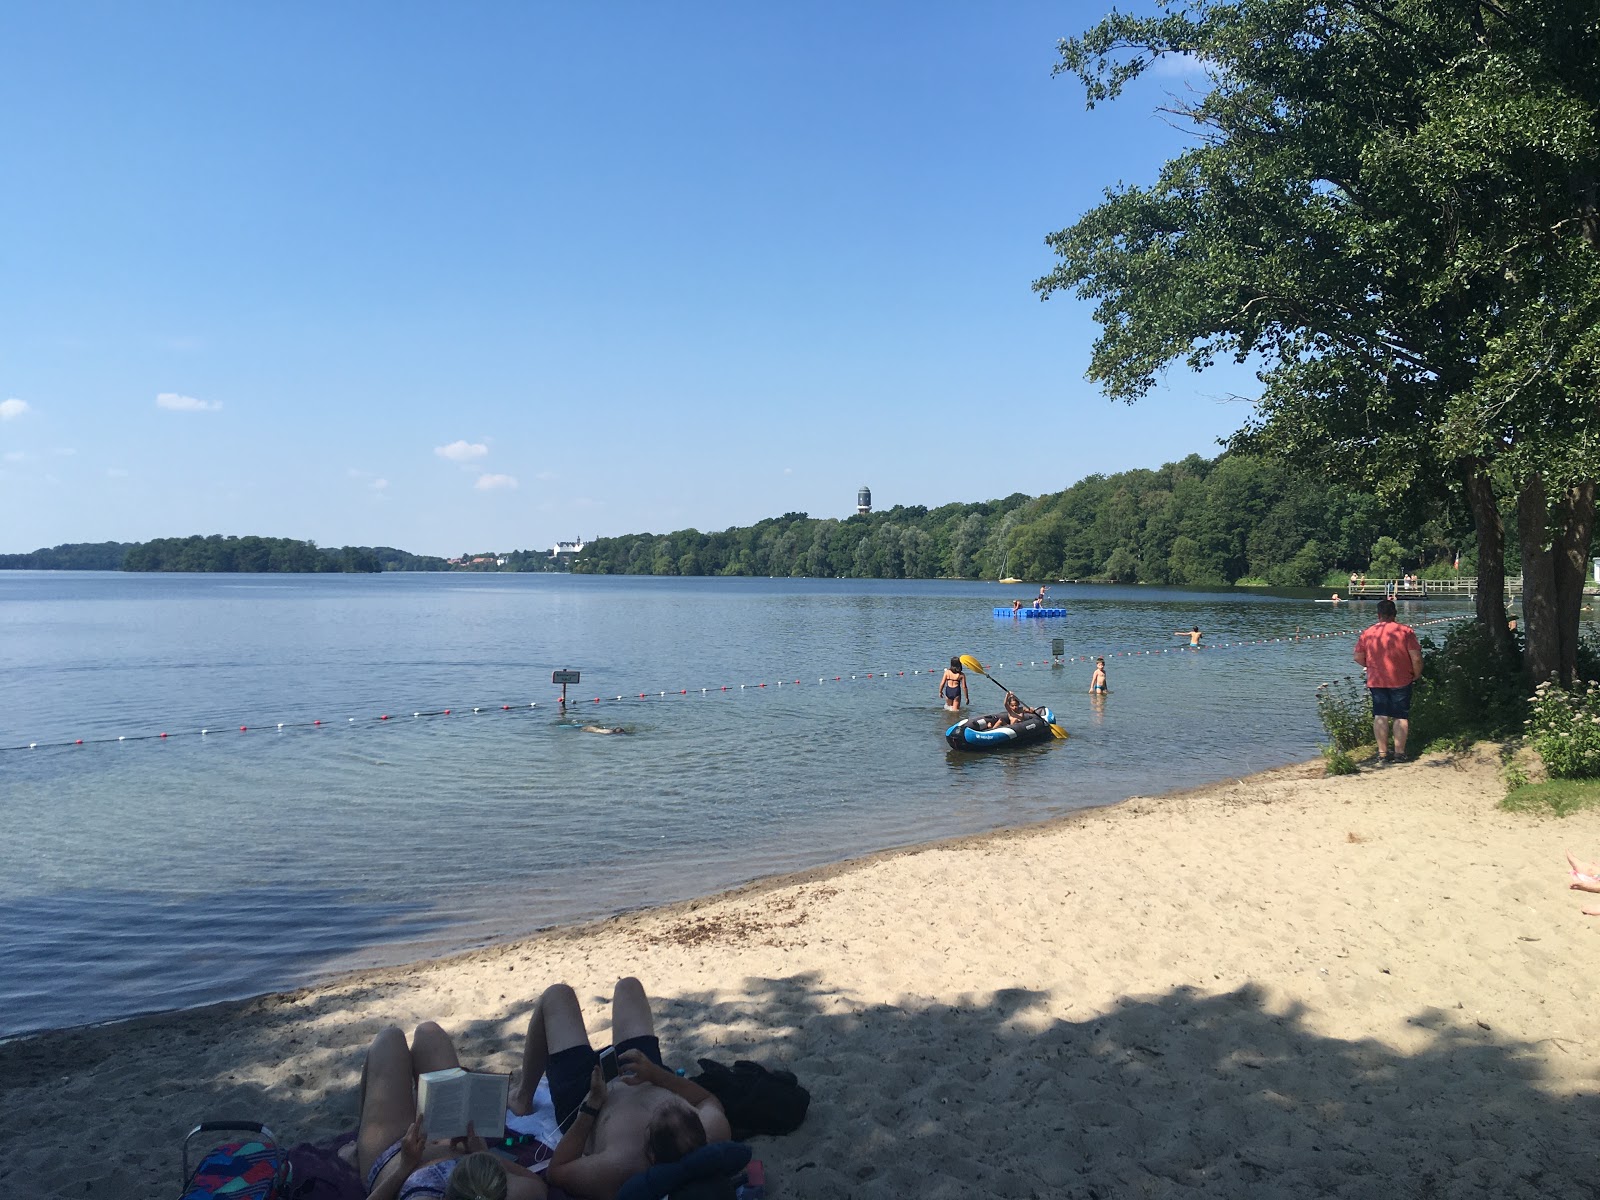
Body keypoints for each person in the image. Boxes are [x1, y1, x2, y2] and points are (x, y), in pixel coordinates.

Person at [521, 979, 732, 1200]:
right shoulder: (713, 1132)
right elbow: (707, 1099)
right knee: (629, 986)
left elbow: (557, 1171)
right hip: (646, 1071)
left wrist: (591, 1106)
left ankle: (522, 1097)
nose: (668, 1104)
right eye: (680, 1106)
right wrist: (657, 1075)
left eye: (659, 1116)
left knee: (556, 994)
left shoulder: (618, 1167)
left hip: (584, 1095)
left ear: (650, 1154)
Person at [356, 1022, 548, 1200]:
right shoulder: (501, 1193)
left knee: (389, 1040)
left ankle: (357, 1151)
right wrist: (484, 1154)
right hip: (451, 1143)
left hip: (393, 1157)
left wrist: (404, 1168)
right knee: (430, 1034)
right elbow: (537, 1185)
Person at [1353, 598, 1424, 764]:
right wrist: (1417, 673)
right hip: (1401, 678)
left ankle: (1382, 753)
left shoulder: (1368, 632)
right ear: (1395, 614)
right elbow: (1416, 658)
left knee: (1380, 715)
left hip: (1377, 679)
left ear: (1378, 615)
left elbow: (1357, 657)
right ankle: (1399, 753)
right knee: (1400, 716)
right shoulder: (1405, 631)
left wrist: (1370, 665)